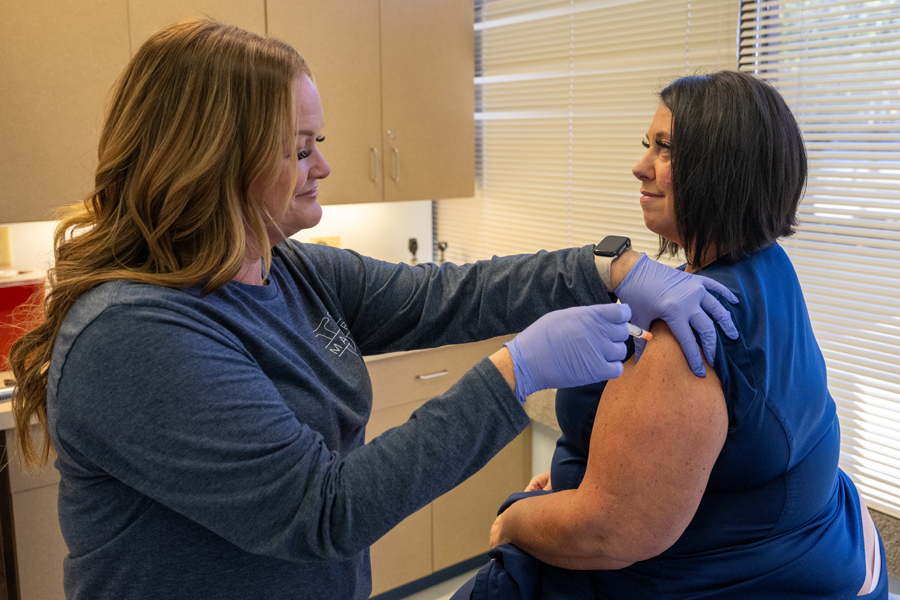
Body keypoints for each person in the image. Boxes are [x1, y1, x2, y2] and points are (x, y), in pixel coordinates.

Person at [8, 20, 739, 600]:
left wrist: (604, 265)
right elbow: (324, 509)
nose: (322, 166)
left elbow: (443, 296)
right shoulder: (135, 333)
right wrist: (518, 371)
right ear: (213, 160)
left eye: (316, 142)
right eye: (299, 149)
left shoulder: (284, 266)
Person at [459, 70, 887, 599]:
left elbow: (605, 531)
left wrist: (515, 518)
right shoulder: (768, 269)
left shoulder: (691, 336)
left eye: (665, 150)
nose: (640, 168)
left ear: (722, 171)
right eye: (649, 146)